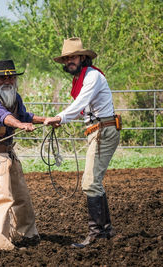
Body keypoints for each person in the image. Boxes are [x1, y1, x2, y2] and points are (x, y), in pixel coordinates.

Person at [43, 37, 121, 248]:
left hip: (103, 131)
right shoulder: (83, 78)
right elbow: (81, 109)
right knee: (93, 181)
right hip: (99, 130)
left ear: (83, 57)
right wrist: (64, 118)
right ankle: (106, 230)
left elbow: (80, 103)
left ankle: (96, 234)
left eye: (73, 57)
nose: (70, 61)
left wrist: (60, 117)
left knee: (89, 183)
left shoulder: (92, 76)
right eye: (67, 58)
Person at [0, 59, 46, 250]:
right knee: (2, 197)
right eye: (2, 78)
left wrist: (46, 120)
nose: (7, 81)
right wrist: (20, 125)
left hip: (10, 154)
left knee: (21, 196)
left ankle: (28, 233)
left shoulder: (15, 99)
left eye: (10, 77)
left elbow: (25, 116)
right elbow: (3, 116)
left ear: (15, 79)